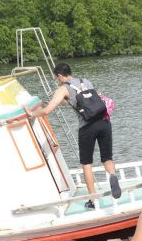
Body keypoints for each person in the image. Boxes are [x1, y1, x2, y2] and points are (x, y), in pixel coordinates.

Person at [28, 63, 121, 208]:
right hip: (104, 122)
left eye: (56, 78)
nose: (56, 81)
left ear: (59, 76)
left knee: (87, 164)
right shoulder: (85, 81)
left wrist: (32, 113)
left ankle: (92, 200)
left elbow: (46, 111)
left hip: (87, 127)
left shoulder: (63, 88)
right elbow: (80, 101)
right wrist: (62, 100)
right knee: (107, 158)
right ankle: (113, 176)